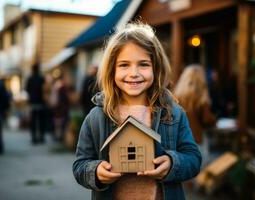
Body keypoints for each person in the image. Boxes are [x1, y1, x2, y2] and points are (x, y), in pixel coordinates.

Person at [73, 22, 201, 200]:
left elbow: (194, 159)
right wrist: (95, 172)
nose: (134, 73)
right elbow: (80, 165)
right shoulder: (97, 118)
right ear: (112, 70)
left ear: (156, 69)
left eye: (143, 64)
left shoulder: (173, 114)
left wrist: (172, 163)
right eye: (124, 65)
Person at [174, 64, 216, 165]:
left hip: (178, 141)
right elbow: (207, 120)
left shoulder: (175, 97)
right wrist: (214, 119)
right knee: (198, 173)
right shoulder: (202, 98)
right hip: (196, 141)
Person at [26, 63, 46, 144]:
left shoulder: (30, 79)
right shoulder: (41, 78)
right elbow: (45, 89)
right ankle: (41, 137)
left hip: (33, 102)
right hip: (41, 102)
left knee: (33, 121)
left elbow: (27, 89)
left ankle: (34, 138)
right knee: (41, 121)